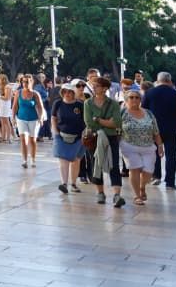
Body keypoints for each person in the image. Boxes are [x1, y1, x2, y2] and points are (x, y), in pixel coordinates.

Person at [84, 77, 125, 208]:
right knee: (96, 164)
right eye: (93, 85)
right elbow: (89, 122)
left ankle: (117, 195)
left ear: (105, 88)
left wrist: (99, 120)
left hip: (111, 137)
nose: (94, 87)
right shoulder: (88, 103)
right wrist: (107, 123)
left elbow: (117, 122)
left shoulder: (113, 103)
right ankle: (100, 193)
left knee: (113, 165)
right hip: (95, 137)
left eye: (97, 86)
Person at [143, 72, 176, 189]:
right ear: (170, 80)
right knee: (171, 155)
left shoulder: (149, 93)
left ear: (158, 80)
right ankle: (170, 182)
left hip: (154, 128)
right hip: (173, 128)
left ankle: (156, 176)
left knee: (155, 153)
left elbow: (144, 110)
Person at [119, 88, 160, 205]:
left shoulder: (149, 113)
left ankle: (142, 187)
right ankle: (137, 196)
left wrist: (160, 145)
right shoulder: (122, 113)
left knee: (149, 171)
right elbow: (115, 128)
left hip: (148, 146)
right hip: (128, 145)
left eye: (137, 97)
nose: (134, 100)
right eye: (131, 97)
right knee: (134, 168)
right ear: (126, 100)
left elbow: (155, 130)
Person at [51, 83, 86, 194]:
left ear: (73, 93)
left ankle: (73, 183)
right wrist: (55, 132)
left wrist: (84, 134)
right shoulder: (58, 103)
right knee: (63, 160)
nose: (67, 94)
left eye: (70, 92)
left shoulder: (80, 105)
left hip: (78, 137)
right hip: (61, 135)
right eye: (65, 92)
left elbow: (86, 120)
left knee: (75, 160)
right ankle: (64, 183)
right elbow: (53, 118)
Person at [14, 75, 45, 169]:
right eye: (23, 82)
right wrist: (12, 118)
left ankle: (33, 159)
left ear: (31, 82)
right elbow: (15, 106)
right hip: (21, 118)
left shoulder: (35, 94)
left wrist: (41, 117)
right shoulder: (18, 93)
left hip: (33, 119)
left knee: (33, 140)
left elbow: (41, 107)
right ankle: (24, 160)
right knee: (23, 139)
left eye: (27, 82)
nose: (25, 84)